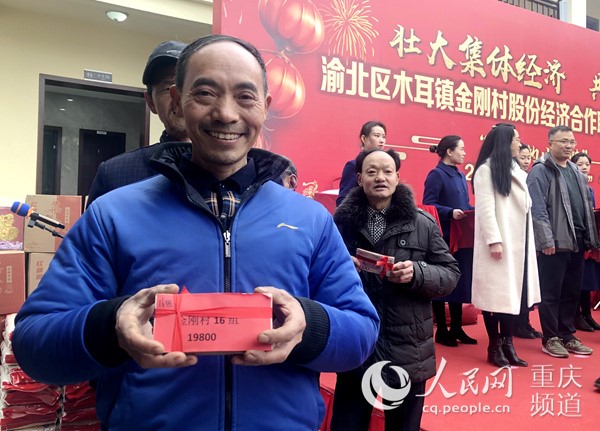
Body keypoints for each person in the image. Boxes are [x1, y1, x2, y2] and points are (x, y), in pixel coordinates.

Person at [12, 35, 380, 431]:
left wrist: (309, 326)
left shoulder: (310, 219)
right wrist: (111, 327)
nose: (226, 113)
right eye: (205, 93)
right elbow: (34, 342)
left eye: (245, 97)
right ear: (177, 101)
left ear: (265, 106)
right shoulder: (113, 215)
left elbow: (361, 331)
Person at [331, 149, 460, 431]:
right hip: (357, 346)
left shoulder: (421, 223)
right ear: (359, 178)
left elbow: (450, 274)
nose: (380, 177)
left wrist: (418, 273)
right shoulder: (340, 224)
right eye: (372, 171)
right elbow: (318, 276)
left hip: (407, 350)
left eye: (387, 171)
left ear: (398, 178)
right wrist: (340, 269)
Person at [86, 40, 191, 207]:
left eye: (186, 87)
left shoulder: (228, 169)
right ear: (150, 102)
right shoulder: (114, 174)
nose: (178, 98)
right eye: (167, 89)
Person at [527, 125, 599, 358]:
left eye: (572, 142)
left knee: (571, 291)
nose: (569, 146)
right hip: (555, 241)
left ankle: (567, 334)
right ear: (550, 143)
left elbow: (584, 206)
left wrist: (590, 237)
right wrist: (545, 240)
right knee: (551, 292)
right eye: (563, 141)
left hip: (577, 239)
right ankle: (550, 338)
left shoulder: (575, 171)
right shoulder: (541, 170)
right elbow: (537, 209)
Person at [471, 124, 541, 367]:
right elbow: (486, 210)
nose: (520, 143)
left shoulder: (517, 170)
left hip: (518, 244)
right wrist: (494, 240)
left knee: (513, 296)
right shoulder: (485, 170)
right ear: (505, 141)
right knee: (495, 298)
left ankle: (508, 344)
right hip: (499, 244)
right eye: (516, 139)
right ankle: (494, 346)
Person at [423, 135, 477, 347]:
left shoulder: (461, 175)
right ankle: (442, 331)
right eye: (461, 149)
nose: (464, 153)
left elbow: (464, 204)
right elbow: (428, 205)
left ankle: (456, 327)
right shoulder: (436, 175)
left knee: (458, 281)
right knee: (441, 281)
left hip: (460, 236)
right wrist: (449, 212)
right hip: (443, 237)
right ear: (449, 151)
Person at [513, 142, 543, 339]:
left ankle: (525, 322)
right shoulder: (513, 175)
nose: (526, 161)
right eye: (522, 157)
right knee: (520, 283)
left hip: (530, 234)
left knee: (529, 283)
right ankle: (518, 324)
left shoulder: (529, 176)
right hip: (518, 235)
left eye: (528, 157)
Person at [570, 152, 600, 332]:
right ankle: (575, 316)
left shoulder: (590, 190)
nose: (584, 167)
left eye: (587, 164)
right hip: (574, 238)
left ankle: (586, 314)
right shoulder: (571, 187)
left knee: (586, 280)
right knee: (576, 281)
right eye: (580, 164)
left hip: (588, 241)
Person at [336, 121, 386, 206]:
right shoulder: (353, 166)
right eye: (377, 136)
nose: (381, 141)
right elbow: (343, 201)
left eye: (383, 137)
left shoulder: (386, 167)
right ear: (364, 138)